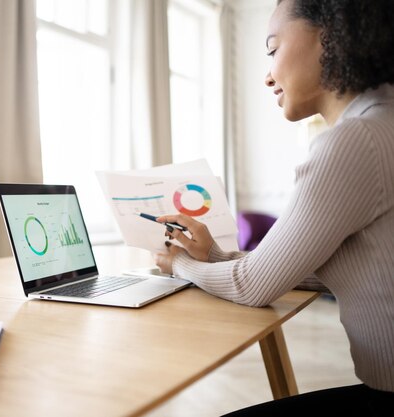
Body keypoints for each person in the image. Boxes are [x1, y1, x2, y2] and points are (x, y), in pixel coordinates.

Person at [153, 0, 394, 415]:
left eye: (272, 49)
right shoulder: (381, 121)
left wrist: (179, 265)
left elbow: (254, 286)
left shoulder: (353, 142)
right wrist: (215, 256)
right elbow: (318, 269)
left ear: (329, 35)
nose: (267, 76)